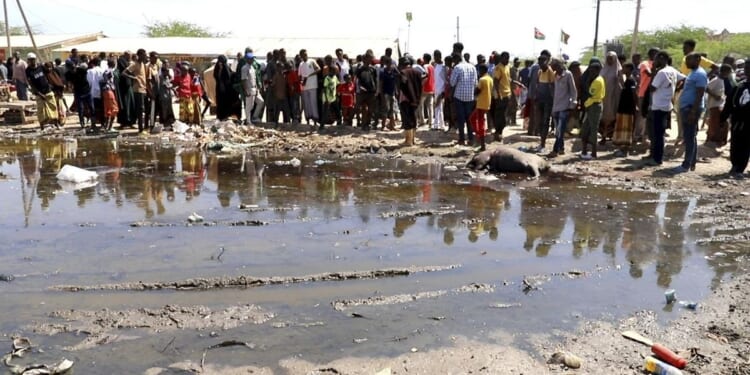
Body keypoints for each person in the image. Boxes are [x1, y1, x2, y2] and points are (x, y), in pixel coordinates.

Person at [647, 51, 686, 167]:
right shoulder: (672, 70)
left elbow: (652, 88)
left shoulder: (661, 73)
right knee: (660, 133)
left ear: (662, 59)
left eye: (656, 59)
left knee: (657, 134)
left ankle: (657, 159)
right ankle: (657, 156)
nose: (654, 62)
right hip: (667, 105)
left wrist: (654, 71)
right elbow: (685, 79)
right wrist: (675, 89)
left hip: (658, 106)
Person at [673, 52, 708, 174]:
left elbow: (700, 93)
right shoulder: (693, 73)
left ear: (698, 59)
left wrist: (693, 111)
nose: (687, 62)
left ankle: (685, 165)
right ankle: (691, 163)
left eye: (689, 60)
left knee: (689, 137)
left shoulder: (700, 74)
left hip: (691, 109)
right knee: (690, 137)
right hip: (687, 108)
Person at [721, 59, 750, 178]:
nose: (747, 71)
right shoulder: (739, 86)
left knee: (746, 145)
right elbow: (729, 103)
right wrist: (723, 118)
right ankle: (735, 166)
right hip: (738, 121)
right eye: (746, 68)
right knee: (736, 143)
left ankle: (740, 168)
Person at [550, 58, 577, 157]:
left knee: (560, 130)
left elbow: (573, 91)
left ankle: (555, 149)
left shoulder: (568, 75)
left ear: (558, 66)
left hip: (564, 106)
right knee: (558, 129)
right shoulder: (555, 76)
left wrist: (572, 105)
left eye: (553, 66)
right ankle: (561, 148)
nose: (552, 68)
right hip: (556, 106)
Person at [449, 52, 478, 145]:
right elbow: (476, 83)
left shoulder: (457, 68)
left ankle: (462, 139)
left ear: (456, 59)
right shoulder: (472, 67)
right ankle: (471, 139)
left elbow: (452, 83)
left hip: (459, 97)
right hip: (470, 97)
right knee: (469, 119)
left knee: (461, 119)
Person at [25, 53, 58, 129]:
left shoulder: (41, 67)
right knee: (40, 111)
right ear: (28, 61)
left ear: (35, 59)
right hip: (39, 93)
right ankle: (42, 126)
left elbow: (49, 73)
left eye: (33, 59)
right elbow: (31, 85)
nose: (32, 61)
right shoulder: (28, 71)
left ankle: (56, 124)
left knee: (53, 107)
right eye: (30, 60)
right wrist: (40, 94)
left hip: (48, 91)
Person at [612, 62, 638, 156]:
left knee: (626, 129)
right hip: (623, 108)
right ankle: (622, 148)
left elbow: (634, 94)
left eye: (624, 68)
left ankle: (624, 150)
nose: (622, 69)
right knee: (622, 129)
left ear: (629, 69)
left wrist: (635, 106)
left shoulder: (631, 80)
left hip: (628, 109)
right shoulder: (627, 80)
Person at [581, 62, 605, 160]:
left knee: (593, 129)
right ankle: (584, 151)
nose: (590, 72)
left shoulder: (597, 81)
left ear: (597, 70)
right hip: (591, 105)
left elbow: (590, 93)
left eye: (592, 70)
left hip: (594, 106)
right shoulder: (597, 79)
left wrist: (588, 82)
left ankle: (594, 153)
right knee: (585, 128)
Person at [398, 56, 423, 146]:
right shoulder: (417, 72)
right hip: (415, 100)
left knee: (407, 120)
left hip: (405, 99)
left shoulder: (403, 73)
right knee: (413, 120)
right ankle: (412, 140)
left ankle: (408, 141)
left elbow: (403, 86)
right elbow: (421, 86)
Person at [121, 49, 148, 132]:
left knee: (145, 109)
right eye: (144, 55)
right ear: (139, 55)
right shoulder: (134, 64)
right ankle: (141, 129)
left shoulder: (143, 64)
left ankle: (144, 127)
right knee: (140, 109)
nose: (145, 56)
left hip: (144, 89)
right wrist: (134, 78)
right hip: (138, 89)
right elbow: (124, 73)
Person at [706, 64, 732, 146]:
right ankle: (712, 140)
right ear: (725, 72)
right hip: (714, 105)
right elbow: (706, 88)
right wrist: (714, 95)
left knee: (722, 123)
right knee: (714, 123)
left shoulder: (722, 80)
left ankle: (719, 140)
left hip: (720, 105)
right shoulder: (716, 80)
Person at [599, 51, 623, 145]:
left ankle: (611, 137)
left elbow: (621, 83)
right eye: (608, 58)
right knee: (603, 117)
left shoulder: (618, 70)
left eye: (611, 58)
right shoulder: (603, 69)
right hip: (603, 97)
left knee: (612, 116)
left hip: (613, 97)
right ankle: (603, 137)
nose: (609, 60)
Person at [534, 55, 555, 153]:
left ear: (547, 62)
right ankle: (541, 143)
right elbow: (538, 86)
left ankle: (543, 144)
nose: (541, 64)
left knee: (545, 122)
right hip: (540, 100)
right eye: (539, 62)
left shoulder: (550, 72)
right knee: (540, 122)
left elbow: (552, 87)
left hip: (548, 101)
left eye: (543, 62)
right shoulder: (539, 72)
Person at [470, 64, 493, 151]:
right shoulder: (490, 79)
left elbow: (477, 91)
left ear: (482, 70)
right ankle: (479, 135)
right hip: (487, 103)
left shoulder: (482, 79)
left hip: (481, 104)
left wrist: (474, 89)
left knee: (480, 123)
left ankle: (482, 144)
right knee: (473, 118)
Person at [492, 52, 512, 142]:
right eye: (505, 58)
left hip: (507, 94)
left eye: (508, 58)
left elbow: (508, 79)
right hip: (501, 96)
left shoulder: (507, 66)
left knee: (504, 115)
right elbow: (496, 81)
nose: (507, 60)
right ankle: (498, 132)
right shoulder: (498, 68)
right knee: (499, 115)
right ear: (501, 58)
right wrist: (499, 94)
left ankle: (500, 132)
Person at [298, 49, 321, 126]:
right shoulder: (301, 64)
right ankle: (308, 120)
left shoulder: (312, 61)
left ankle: (315, 120)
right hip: (305, 87)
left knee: (313, 103)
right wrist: (301, 81)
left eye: (305, 54)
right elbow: (300, 75)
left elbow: (318, 69)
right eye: (302, 55)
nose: (304, 56)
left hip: (312, 85)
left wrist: (309, 76)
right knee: (306, 104)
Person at [356, 51, 378, 130]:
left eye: (371, 59)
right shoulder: (360, 69)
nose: (370, 60)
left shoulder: (373, 69)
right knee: (363, 108)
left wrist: (376, 89)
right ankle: (363, 124)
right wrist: (359, 87)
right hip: (362, 92)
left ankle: (367, 123)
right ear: (365, 59)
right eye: (369, 58)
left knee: (371, 109)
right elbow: (357, 80)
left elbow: (375, 80)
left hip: (371, 91)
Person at [241, 53, 264, 125]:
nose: (253, 59)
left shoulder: (252, 68)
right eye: (251, 58)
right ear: (247, 59)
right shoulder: (244, 68)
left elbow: (254, 79)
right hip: (249, 89)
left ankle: (254, 117)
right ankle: (248, 121)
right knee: (249, 106)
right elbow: (244, 80)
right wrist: (246, 90)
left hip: (254, 88)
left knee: (261, 102)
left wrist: (257, 88)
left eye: (253, 58)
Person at [378, 56, 399, 130]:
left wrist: (396, 91)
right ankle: (383, 126)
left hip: (392, 92)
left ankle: (392, 126)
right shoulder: (383, 72)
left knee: (392, 110)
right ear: (386, 63)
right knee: (385, 109)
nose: (390, 64)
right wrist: (382, 95)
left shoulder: (393, 71)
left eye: (391, 63)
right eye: (388, 63)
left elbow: (396, 81)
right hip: (386, 93)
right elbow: (381, 84)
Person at [100, 59, 119, 131]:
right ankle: (110, 127)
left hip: (105, 91)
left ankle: (107, 126)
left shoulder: (106, 71)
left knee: (108, 109)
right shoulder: (111, 71)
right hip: (109, 91)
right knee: (114, 109)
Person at [418, 53, 435, 126]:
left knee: (420, 105)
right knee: (430, 106)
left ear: (424, 59)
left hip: (425, 88)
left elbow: (425, 75)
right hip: (431, 88)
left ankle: (422, 121)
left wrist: (421, 84)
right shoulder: (432, 67)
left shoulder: (425, 66)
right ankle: (431, 121)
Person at [432, 50, 447, 130]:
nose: (434, 58)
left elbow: (445, 80)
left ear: (438, 56)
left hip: (441, 90)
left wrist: (443, 91)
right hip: (436, 89)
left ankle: (436, 125)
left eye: (435, 56)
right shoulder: (436, 66)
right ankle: (441, 125)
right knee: (439, 108)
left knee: (437, 107)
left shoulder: (444, 67)